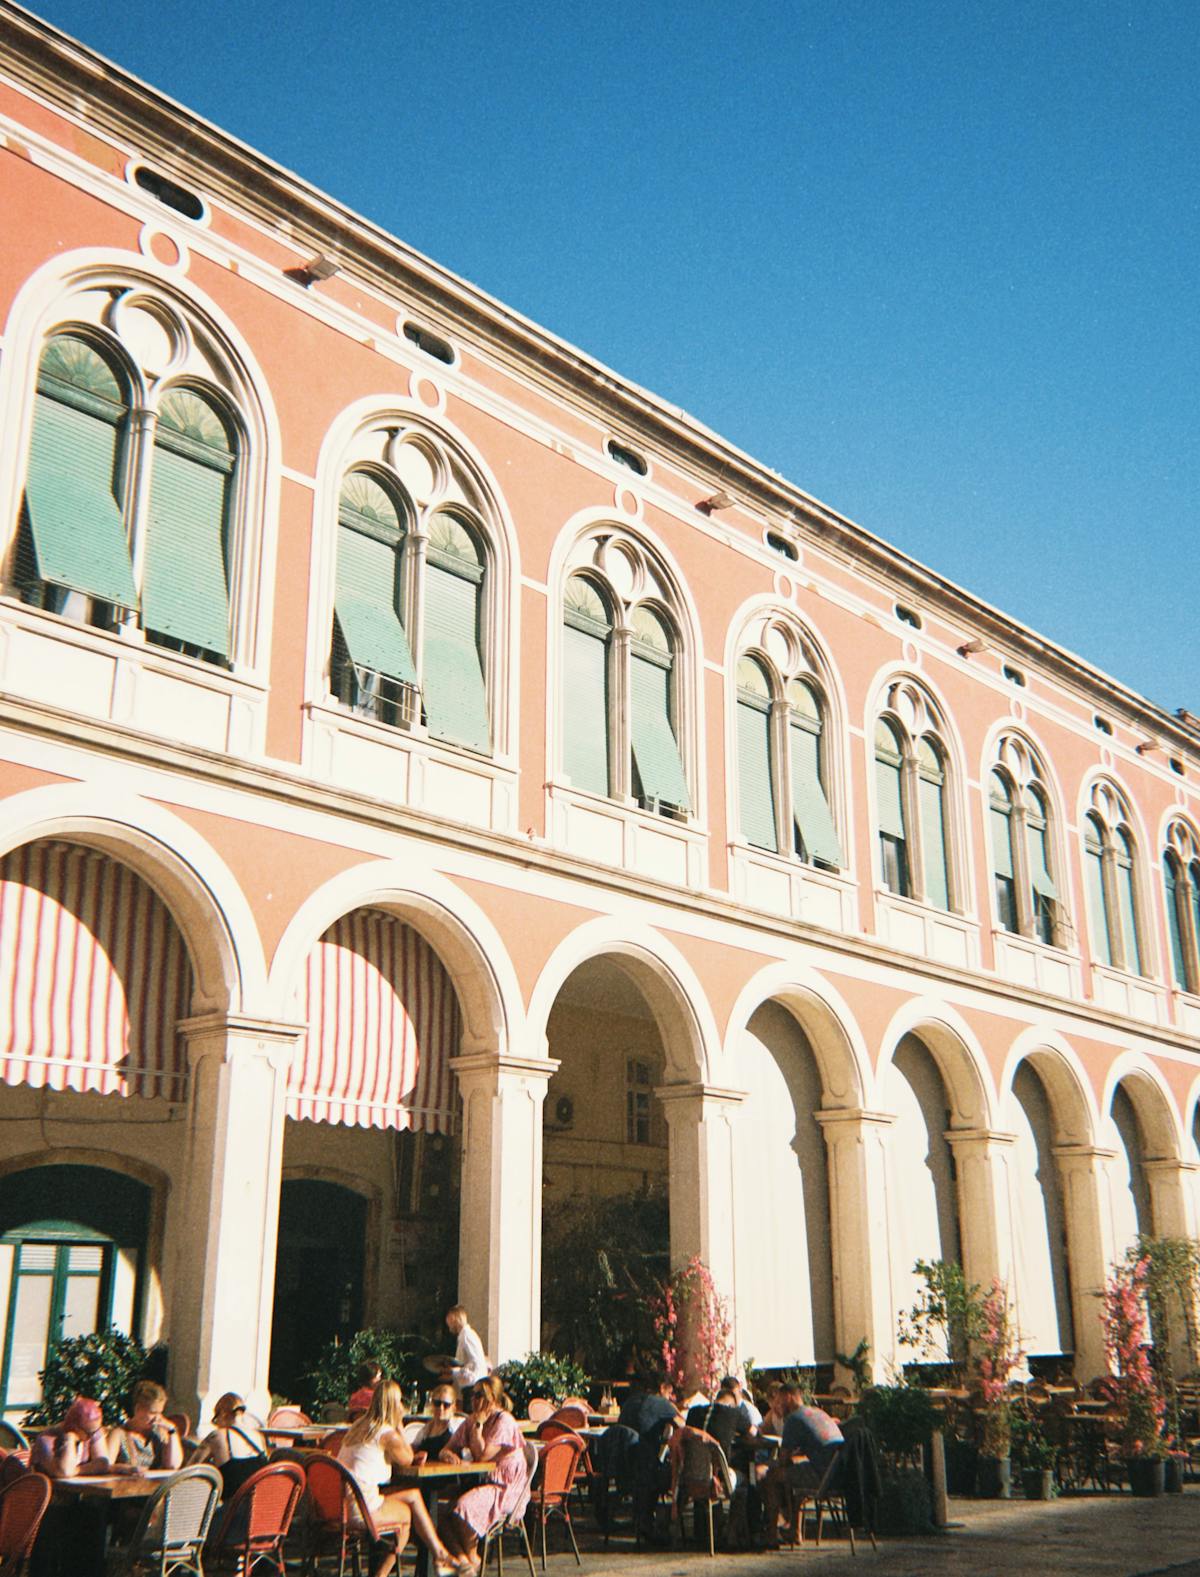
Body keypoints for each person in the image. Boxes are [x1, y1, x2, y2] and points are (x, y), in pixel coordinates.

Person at [338, 1379, 460, 1577]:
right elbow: (407, 1459)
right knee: (406, 1517)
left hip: (342, 1505)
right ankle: (383, 1574)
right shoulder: (388, 1434)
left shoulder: (358, 1426)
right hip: (362, 1509)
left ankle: (439, 1554)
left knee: (413, 1495)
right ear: (395, 1405)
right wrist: (400, 1427)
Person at [437, 1375, 530, 1575]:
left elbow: (483, 1457)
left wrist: (478, 1428)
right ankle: (467, 1560)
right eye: (472, 1394)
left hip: (505, 1488)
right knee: (439, 1513)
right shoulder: (471, 1419)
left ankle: (471, 1558)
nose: (473, 1399)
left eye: (479, 1395)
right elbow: (447, 1448)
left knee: (462, 1507)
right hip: (482, 1482)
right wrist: (449, 1455)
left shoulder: (503, 1421)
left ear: (493, 1399)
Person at [760, 1382, 844, 1548]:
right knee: (793, 1473)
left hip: (822, 1477)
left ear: (788, 1397)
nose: (777, 1405)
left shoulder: (794, 1419)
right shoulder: (818, 1412)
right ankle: (795, 1531)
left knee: (770, 1476)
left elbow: (783, 1458)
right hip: (840, 1473)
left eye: (778, 1400)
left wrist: (772, 1464)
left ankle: (770, 1534)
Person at [190, 1392, 269, 1496]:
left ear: (222, 1414)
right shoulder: (258, 1436)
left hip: (232, 1508)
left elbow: (191, 1468)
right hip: (261, 1504)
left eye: (215, 1419)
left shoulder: (217, 1436)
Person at [31, 1396, 118, 1478]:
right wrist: (69, 1439)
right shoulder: (46, 1440)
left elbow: (103, 1463)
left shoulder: (92, 1432)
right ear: (74, 1427)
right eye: (89, 1433)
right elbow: (64, 1472)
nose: (92, 1436)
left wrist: (77, 1470)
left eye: (96, 1431)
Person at [111, 1380, 184, 1472]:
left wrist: (172, 1431)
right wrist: (127, 1469)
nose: (157, 1418)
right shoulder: (119, 1434)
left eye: (160, 1413)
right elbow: (106, 1466)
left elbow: (173, 1465)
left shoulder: (159, 1434)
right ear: (138, 1409)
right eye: (153, 1413)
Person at [406, 1384, 464, 1459]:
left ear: (454, 1407)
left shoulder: (457, 1425)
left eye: (446, 1405)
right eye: (437, 1403)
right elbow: (413, 1448)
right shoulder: (426, 1430)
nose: (441, 1408)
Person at [443, 1305, 490, 1389]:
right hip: (472, 1384)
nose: (448, 1326)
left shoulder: (467, 1336)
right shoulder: (465, 1336)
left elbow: (475, 1364)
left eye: (449, 1321)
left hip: (473, 1384)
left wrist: (453, 1371)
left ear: (455, 1319)